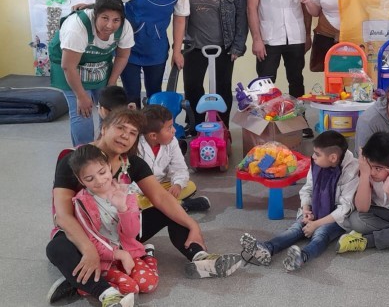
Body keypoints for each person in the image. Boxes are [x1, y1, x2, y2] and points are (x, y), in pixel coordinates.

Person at [46, 109, 243, 305]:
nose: (126, 136)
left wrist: (193, 225)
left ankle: (200, 258)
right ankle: (101, 289)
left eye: (132, 133)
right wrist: (88, 249)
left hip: (120, 232)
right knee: (57, 248)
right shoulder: (74, 161)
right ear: (104, 128)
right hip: (87, 234)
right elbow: (63, 216)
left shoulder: (131, 163)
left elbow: (161, 198)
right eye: (120, 128)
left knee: (168, 211)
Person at [239, 131, 358, 271]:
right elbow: (307, 188)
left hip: (337, 218)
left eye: (317, 154)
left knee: (321, 234)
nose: (313, 157)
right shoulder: (318, 162)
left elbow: (344, 208)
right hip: (315, 210)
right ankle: (267, 248)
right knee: (296, 228)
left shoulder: (351, 171)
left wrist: (316, 224)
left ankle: (302, 257)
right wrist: (306, 210)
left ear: (333, 158)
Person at [69, 144, 159, 299]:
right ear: (80, 180)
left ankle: (148, 258)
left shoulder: (126, 192)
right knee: (130, 288)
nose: (99, 181)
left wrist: (122, 208)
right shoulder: (81, 202)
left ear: (109, 166)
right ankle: (81, 287)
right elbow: (90, 239)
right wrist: (118, 254)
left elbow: (132, 233)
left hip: (130, 251)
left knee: (148, 284)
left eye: (102, 172)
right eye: (89, 178)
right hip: (103, 258)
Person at [49, 0, 134, 146]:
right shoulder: (76, 27)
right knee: (83, 113)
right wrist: (81, 96)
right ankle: (85, 153)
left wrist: (112, 82)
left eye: (116, 20)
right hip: (70, 67)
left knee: (110, 108)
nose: (109, 25)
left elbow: (122, 56)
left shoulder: (125, 27)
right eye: (105, 18)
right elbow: (69, 66)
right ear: (95, 15)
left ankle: (105, 148)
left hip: (99, 64)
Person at [180, 0, 248, 127]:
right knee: (192, 87)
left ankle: (222, 127)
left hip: (223, 46)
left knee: (222, 88)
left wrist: (238, 46)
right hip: (193, 45)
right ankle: (194, 126)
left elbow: (241, 16)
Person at [114, 0, 190, 106]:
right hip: (128, 47)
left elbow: (180, 20)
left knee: (155, 97)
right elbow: (112, 4)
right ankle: (132, 124)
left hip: (156, 49)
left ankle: (151, 125)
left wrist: (177, 51)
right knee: (131, 96)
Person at [135, 105, 210, 212]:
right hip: (142, 191)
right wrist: (152, 192)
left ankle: (161, 207)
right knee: (134, 200)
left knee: (190, 186)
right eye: (169, 128)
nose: (174, 130)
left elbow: (180, 168)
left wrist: (177, 184)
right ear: (153, 136)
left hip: (163, 186)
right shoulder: (135, 147)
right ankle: (182, 206)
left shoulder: (172, 141)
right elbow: (130, 181)